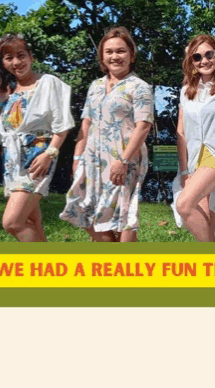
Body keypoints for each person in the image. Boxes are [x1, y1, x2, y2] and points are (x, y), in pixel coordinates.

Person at [60, 27, 154, 242]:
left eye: (120, 51)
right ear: (102, 56)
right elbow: (86, 122)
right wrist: (77, 157)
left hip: (123, 158)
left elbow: (143, 126)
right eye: (109, 51)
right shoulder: (95, 86)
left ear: (131, 54)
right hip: (93, 159)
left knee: (123, 214)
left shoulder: (139, 87)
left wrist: (123, 160)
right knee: (89, 211)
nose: (115, 56)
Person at [0, 33, 75, 242]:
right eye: (9, 58)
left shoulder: (48, 83)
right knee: (32, 222)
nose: (16, 62)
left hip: (38, 158)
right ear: (3, 62)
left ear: (31, 57)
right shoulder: (8, 91)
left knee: (12, 222)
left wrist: (50, 154)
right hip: (12, 161)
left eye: (21, 56)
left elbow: (62, 126)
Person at [171, 35, 215, 242]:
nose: (204, 61)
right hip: (194, 160)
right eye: (197, 57)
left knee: (184, 205)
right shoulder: (186, 92)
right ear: (191, 62)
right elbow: (181, 134)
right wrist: (185, 170)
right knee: (208, 224)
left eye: (208, 54)